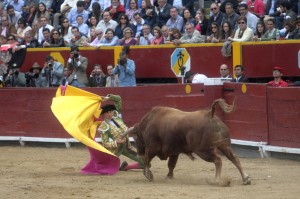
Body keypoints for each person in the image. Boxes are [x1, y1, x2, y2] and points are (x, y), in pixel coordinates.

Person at [97, 94, 144, 171]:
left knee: (145, 162)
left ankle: (125, 167)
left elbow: (118, 99)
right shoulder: (103, 127)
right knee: (104, 169)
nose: (109, 114)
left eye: (111, 112)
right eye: (107, 113)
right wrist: (116, 141)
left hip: (127, 147)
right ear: (103, 114)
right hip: (115, 150)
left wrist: (108, 97)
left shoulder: (117, 117)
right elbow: (105, 144)